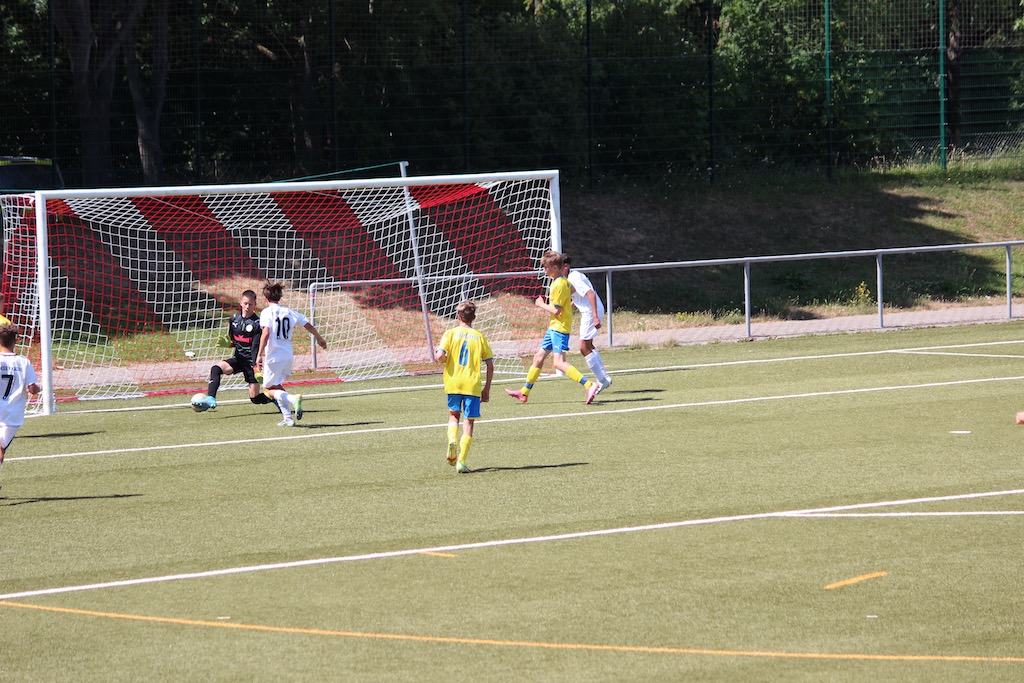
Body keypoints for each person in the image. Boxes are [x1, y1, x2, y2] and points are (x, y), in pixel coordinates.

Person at [506, 250, 599, 405]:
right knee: (538, 358)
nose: (544, 269)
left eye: (546, 267)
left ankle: (589, 385)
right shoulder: (562, 282)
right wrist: (568, 304)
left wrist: (541, 304)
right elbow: (572, 290)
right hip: (554, 327)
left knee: (558, 363)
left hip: (559, 328)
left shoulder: (559, 284)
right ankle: (524, 392)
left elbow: (556, 310)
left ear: (555, 267)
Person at [253, 282, 328, 427]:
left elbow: (266, 333)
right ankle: (287, 418)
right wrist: (319, 338)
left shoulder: (266, 312)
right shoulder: (289, 311)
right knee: (276, 385)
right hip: (288, 355)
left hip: (274, 355)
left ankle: (293, 398)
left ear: (266, 299)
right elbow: (308, 325)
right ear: (279, 297)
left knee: (268, 389)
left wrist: (259, 354)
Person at [435, 300, 494, 474]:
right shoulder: (480, 337)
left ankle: (452, 440)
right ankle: (461, 461)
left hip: (453, 382)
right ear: (474, 318)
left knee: (454, 415)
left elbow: (439, 356)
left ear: (458, 317)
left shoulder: (450, 333)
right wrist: (486, 388)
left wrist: (447, 360)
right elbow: (490, 365)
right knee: (469, 421)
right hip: (472, 385)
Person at [202, 289, 277, 411]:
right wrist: (228, 344)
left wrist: (256, 366)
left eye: (250, 304)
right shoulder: (234, 320)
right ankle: (210, 398)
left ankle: (276, 397)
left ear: (255, 304)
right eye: (245, 303)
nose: (247, 307)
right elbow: (233, 341)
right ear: (241, 302)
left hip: (251, 362)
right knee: (216, 369)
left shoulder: (257, 323)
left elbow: (255, 347)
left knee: (255, 398)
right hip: (238, 359)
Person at [562, 254, 612, 393]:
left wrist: (595, 317)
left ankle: (601, 381)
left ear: (565, 266)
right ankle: (604, 377)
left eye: (558, 267)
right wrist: (572, 305)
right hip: (590, 311)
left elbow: (591, 294)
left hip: (590, 312)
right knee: (589, 345)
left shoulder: (573, 278)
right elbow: (580, 295)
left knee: (583, 347)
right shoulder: (572, 275)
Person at [0, 323, 40, 490]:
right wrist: (38, 389)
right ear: (15, 340)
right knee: (1, 449)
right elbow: (32, 389)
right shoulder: (23, 362)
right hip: (12, 415)